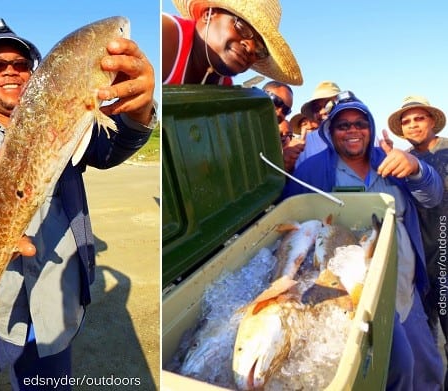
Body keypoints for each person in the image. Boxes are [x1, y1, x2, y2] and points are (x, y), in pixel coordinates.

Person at [0, 18, 156, 390]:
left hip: (51, 301)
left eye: (20, 64)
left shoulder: (70, 111)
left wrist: (139, 111)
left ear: (36, 72)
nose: (9, 72)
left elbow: (110, 150)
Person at [281, 96, 445, 390]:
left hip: (401, 278)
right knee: (383, 363)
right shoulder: (312, 170)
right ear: (331, 132)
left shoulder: (390, 158)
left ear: (370, 128)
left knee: (425, 363)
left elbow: (432, 196)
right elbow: (292, 219)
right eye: (343, 125)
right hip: (347, 283)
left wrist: (417, 169)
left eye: (360, 123)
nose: (352, 130)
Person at [387, 95, 448, 384]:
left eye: (419, 118)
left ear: (432, 121)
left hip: (445, 254)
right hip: (421, 258)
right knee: (427, 330)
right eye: (406, 121)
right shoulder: (403, 160)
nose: (412, 125)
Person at [162, 0, 302, 85]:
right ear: (209, 14)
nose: (251, 48)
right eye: (242, 27)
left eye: (260, 49)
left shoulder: (224, 88)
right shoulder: (166, 34)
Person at [294, 80, 341, 167]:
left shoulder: (362, 135)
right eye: (317, 108)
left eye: (329, 105)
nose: (322, 111)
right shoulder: (306, 143)